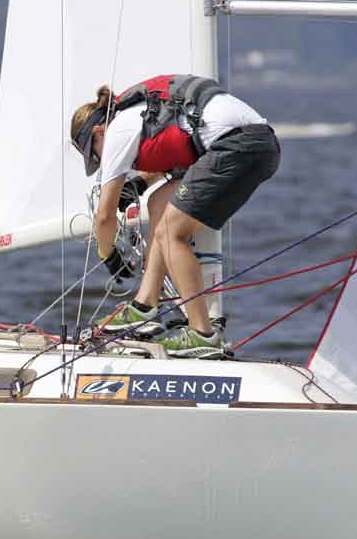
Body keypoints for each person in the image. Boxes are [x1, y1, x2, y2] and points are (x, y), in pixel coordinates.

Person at [70, 74, 280, 358]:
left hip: (237, 147)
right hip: (258, 143)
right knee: (158, 202)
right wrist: (141, 184)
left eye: (94, 155)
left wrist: (108, 255)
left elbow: (105, 216)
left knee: (171, 232)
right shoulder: (136, 114)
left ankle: (202, 333)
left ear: (98, 132)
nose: (98, 161)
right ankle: (144, 306)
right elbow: (185, 140)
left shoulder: (117, 130)